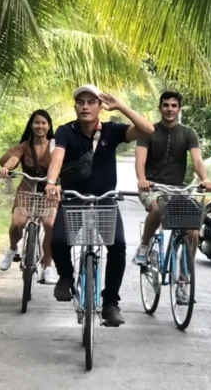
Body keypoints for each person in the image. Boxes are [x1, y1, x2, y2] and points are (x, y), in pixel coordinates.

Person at [45, 84, 154, 327]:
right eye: (80, 102)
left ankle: (110, 303)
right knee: (59, 241)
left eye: (91, 102)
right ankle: (65, 277)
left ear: (99, 107)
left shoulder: (111, 131)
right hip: (73, 199)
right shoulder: (65, 131)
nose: (85, 106)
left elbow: (148, 130)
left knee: (118, 247)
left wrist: (121, 106)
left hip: (105, 200)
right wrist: (52, 182)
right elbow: (57, 158)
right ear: (75, 106)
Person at [133, 91, 211, 270]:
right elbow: (140, 160)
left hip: (179, 189)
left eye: (174, 106)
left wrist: (205, 179)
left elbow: (197, 160)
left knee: (192, 231)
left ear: (179, 109)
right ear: (160, 107)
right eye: (166, 105)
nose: (170, 109)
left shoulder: (188, 133)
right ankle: (144, 245)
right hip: (153, 187)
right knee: (156, 207)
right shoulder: (148, 132)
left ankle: (185, 277)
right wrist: (142, 180)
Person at [0, 110, 59, 284]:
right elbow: (13, 158)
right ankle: (12, 249)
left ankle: (47, 267)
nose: (40, 126)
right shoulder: (25, 145)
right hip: (27, 186)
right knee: (18, 222)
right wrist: (7, 168)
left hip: (49, 189)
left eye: (43, 123)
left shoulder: (56, 146)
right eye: (36, 123)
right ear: (31, 125)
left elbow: (61, 162)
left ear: (49, 126)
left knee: (50, 225)